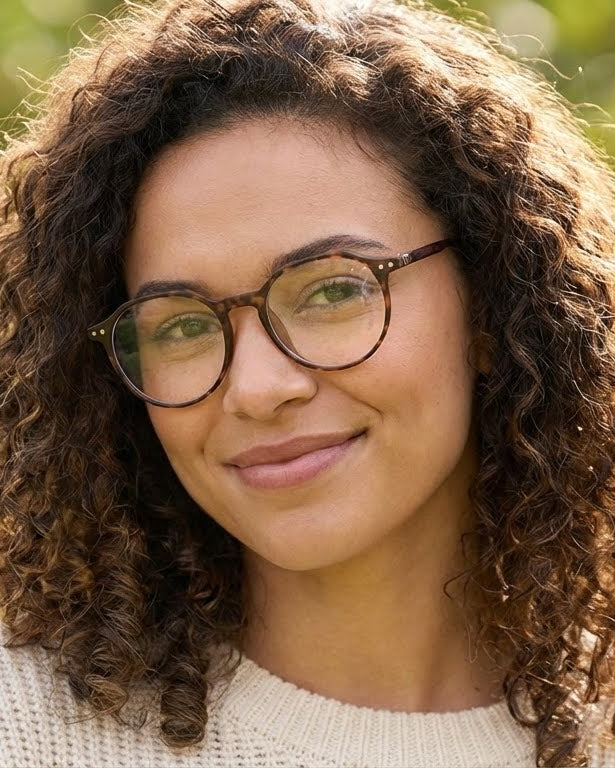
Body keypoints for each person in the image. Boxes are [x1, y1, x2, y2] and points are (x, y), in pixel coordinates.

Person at [0, 0, 614, 765]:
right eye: (182, 324)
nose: (256, 389)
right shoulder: (22, 731)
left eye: (331, 291)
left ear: (492, 306)